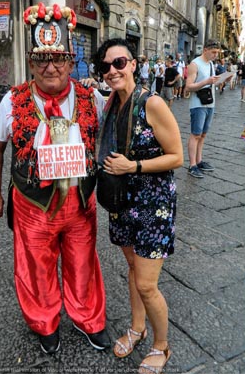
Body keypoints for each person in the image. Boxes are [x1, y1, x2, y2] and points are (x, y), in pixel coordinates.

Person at [0, 2, 110, 355]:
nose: (50, 67)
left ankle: (89, 318)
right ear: (31, 63)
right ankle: (44, 322)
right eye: (42, 59)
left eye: (58, 59)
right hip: (32, 204)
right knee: (36, 268)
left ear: (71, 62)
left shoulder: (92, 99)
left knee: (83, 263)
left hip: (79, 201)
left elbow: (120, 123)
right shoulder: (12, 101)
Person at [93, 38, 183, 373]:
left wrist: (134, 167)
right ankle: (137, 327)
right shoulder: (112, 104)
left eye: (119, 63)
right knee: (133, 270)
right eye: (105, 66)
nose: (112, 71)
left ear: (133, 64)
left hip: (152, 203)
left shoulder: (152, 103)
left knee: (147, 283)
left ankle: (161, 346)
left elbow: (177, 156)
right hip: (122, 200)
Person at [185, 39, 223, 178]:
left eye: (217, 53)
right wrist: (206, 81)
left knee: (203, 135)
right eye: (213, 52)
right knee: (195, 134)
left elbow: (213, 83)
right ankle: (192, 165)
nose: (215, 55)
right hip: (198, 104)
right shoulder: (195, 64)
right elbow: (188, 86)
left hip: (210, 103)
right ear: (205, 49)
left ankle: (199, 161)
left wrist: (221, 81)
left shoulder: (211, 64)